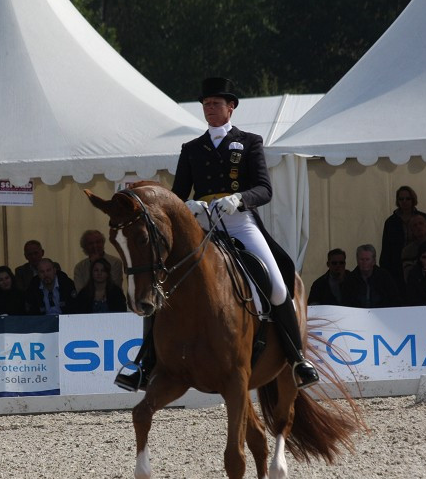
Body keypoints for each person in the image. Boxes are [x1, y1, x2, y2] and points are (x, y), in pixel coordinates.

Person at [118, 77, 318, 392]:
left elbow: (264, 188)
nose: (210, 109)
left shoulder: (250, 141)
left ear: (231, 107)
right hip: (201, 225)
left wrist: (239, 199)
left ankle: (297, 360)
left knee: (279, 287)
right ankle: (144, 364)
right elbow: (177, 195)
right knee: (162, 283)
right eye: (206, 104)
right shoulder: (192, 148)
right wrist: (189, 206)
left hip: (239, 221)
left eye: (216, 104)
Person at [380, 186, 426, 299]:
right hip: (397, 268)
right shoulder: (391, 222)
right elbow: (386, 249)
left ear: (413, 199)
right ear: (397, 201)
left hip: (421, 265)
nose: (404, 202)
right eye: (401, 199)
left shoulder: (424, 218)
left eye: (407, 198)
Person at [343, 244, 399, 308]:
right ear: (357, 260)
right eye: (362, 259)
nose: (364, 262)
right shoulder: (350, 279)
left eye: (367, 259)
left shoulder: (384, 277)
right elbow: (346, 303)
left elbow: (394, 300)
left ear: (374, 261)